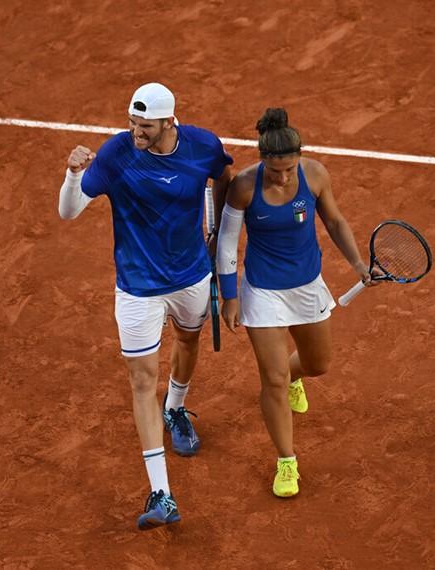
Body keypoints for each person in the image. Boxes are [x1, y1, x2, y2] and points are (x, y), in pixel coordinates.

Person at [58, 82, 233, 529]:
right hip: (137, 287)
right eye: (132, 123)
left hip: (191, 276)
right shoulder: (116, 154)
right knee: (141, 382)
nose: (136, 132)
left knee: (188, 342)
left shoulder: (203, 145)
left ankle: (175, 408)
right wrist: (73, 175)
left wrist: (215, 230)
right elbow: (68, 212)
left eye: (145, 126)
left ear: (170, 122)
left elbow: (223, 177)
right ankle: (162, 494)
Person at [215, 108, 378, 498]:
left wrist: (358, 264)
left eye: (290, 169)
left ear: (299, 159)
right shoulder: (244, 186)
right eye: (276, 171)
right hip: (263, 292)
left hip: (307, 287)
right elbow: (227, 243)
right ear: (263, 160)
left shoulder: (316, 175)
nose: (284, 177)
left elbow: (334, 221)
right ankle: (286, 461)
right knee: (272, 379)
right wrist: (230, 296)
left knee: (318, 364)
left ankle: (294, 377)